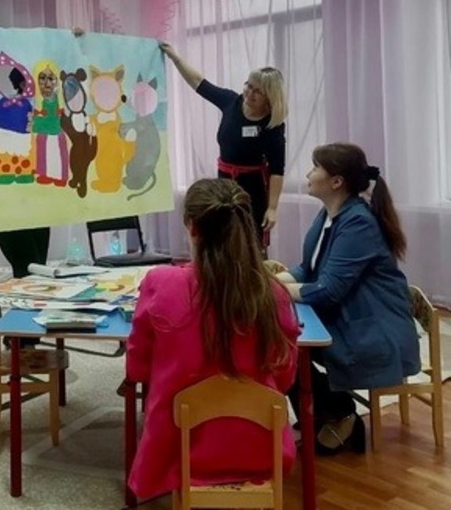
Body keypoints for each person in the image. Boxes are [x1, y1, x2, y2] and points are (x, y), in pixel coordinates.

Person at [126, 178, 299, 500]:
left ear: (191, 227)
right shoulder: (273, 293)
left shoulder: (161, 283)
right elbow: (285, 375)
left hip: (177, 451)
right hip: (261, 448)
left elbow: (137, 368)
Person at [274, 142, 419, 454]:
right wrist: (268, 281)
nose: (308, 174)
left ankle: (341, 416)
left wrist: (271, 289)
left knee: (284, 346)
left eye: (315, 167)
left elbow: (328, 290)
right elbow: (307, 269)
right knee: (280, 343)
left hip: (372, 328)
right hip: (347, 316)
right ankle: (324, 412)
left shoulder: (358, 222)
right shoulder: (329, 214)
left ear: (336, 181)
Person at [160, 43, 287, 248]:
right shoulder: (231, 101)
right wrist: (175, 58)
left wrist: (272, 208)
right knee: (221, 238)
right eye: (248, 85)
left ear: (269, 98)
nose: (249, 93)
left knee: (248, 242)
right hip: (224, 183)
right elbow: (198, 82)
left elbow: (277, 171)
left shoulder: (273, 125)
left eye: (258, 91)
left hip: (253, 189)